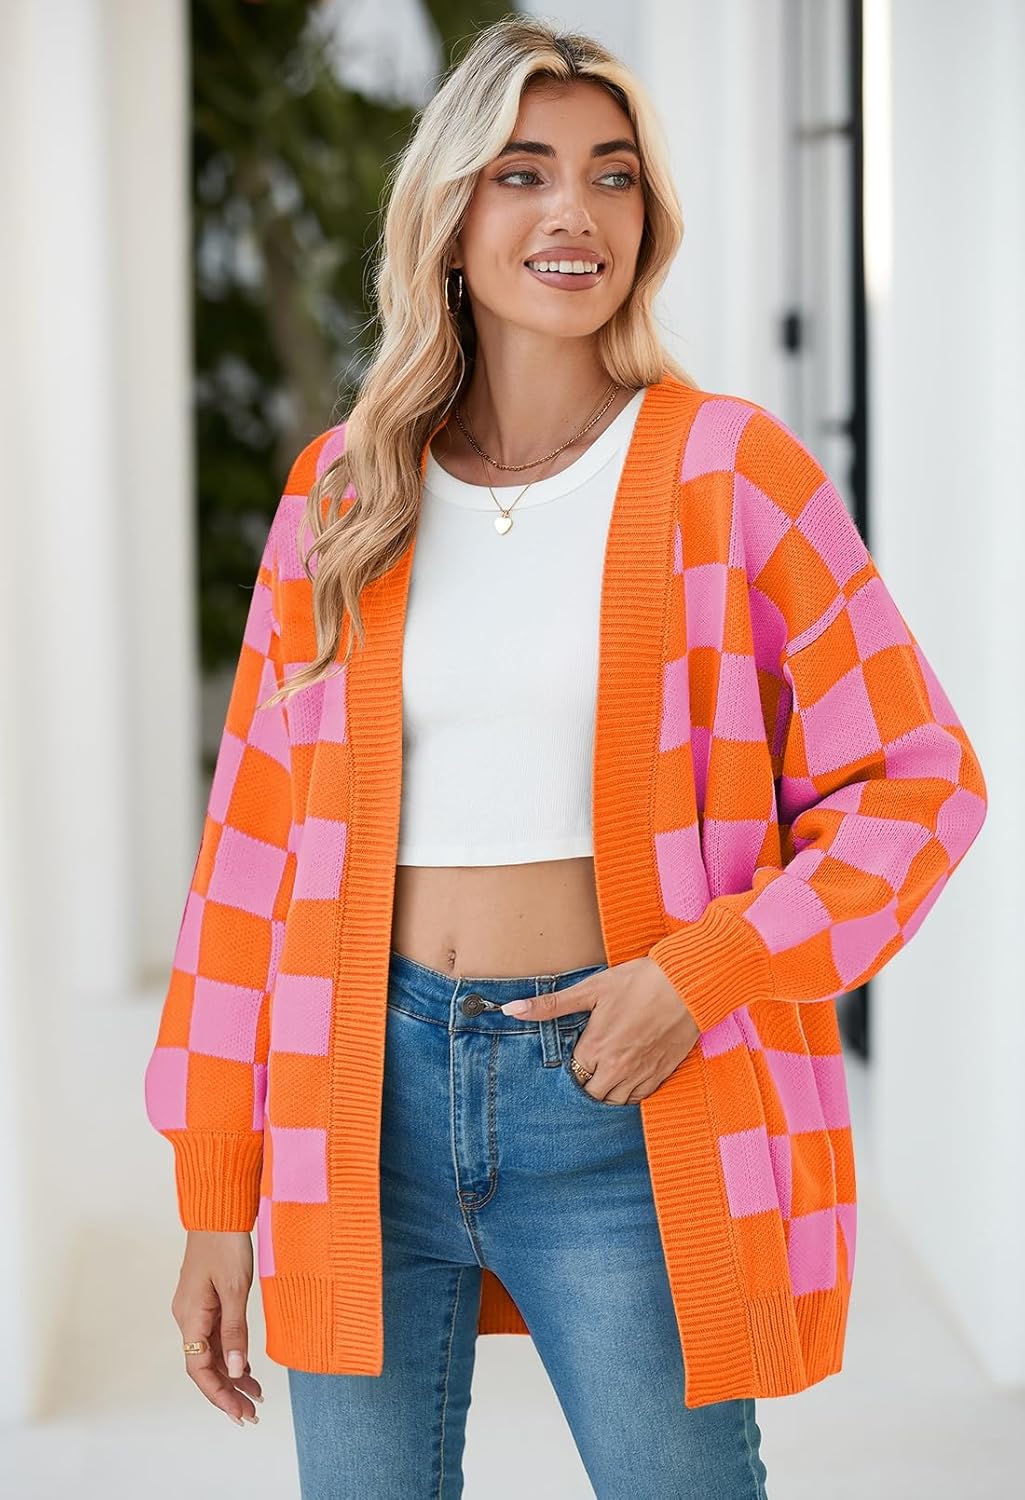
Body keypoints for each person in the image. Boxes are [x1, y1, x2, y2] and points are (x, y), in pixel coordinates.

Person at [144, 16, 987, 1500]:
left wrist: (700, 975)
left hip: (625, 1090)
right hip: (356, 1094)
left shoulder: (733, 473)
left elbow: (920, 784)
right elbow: (249, 859)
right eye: (522, 172)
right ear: (449, 211)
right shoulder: (344, 492)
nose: (572, 212)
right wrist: (218, 1184)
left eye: (611, 174)